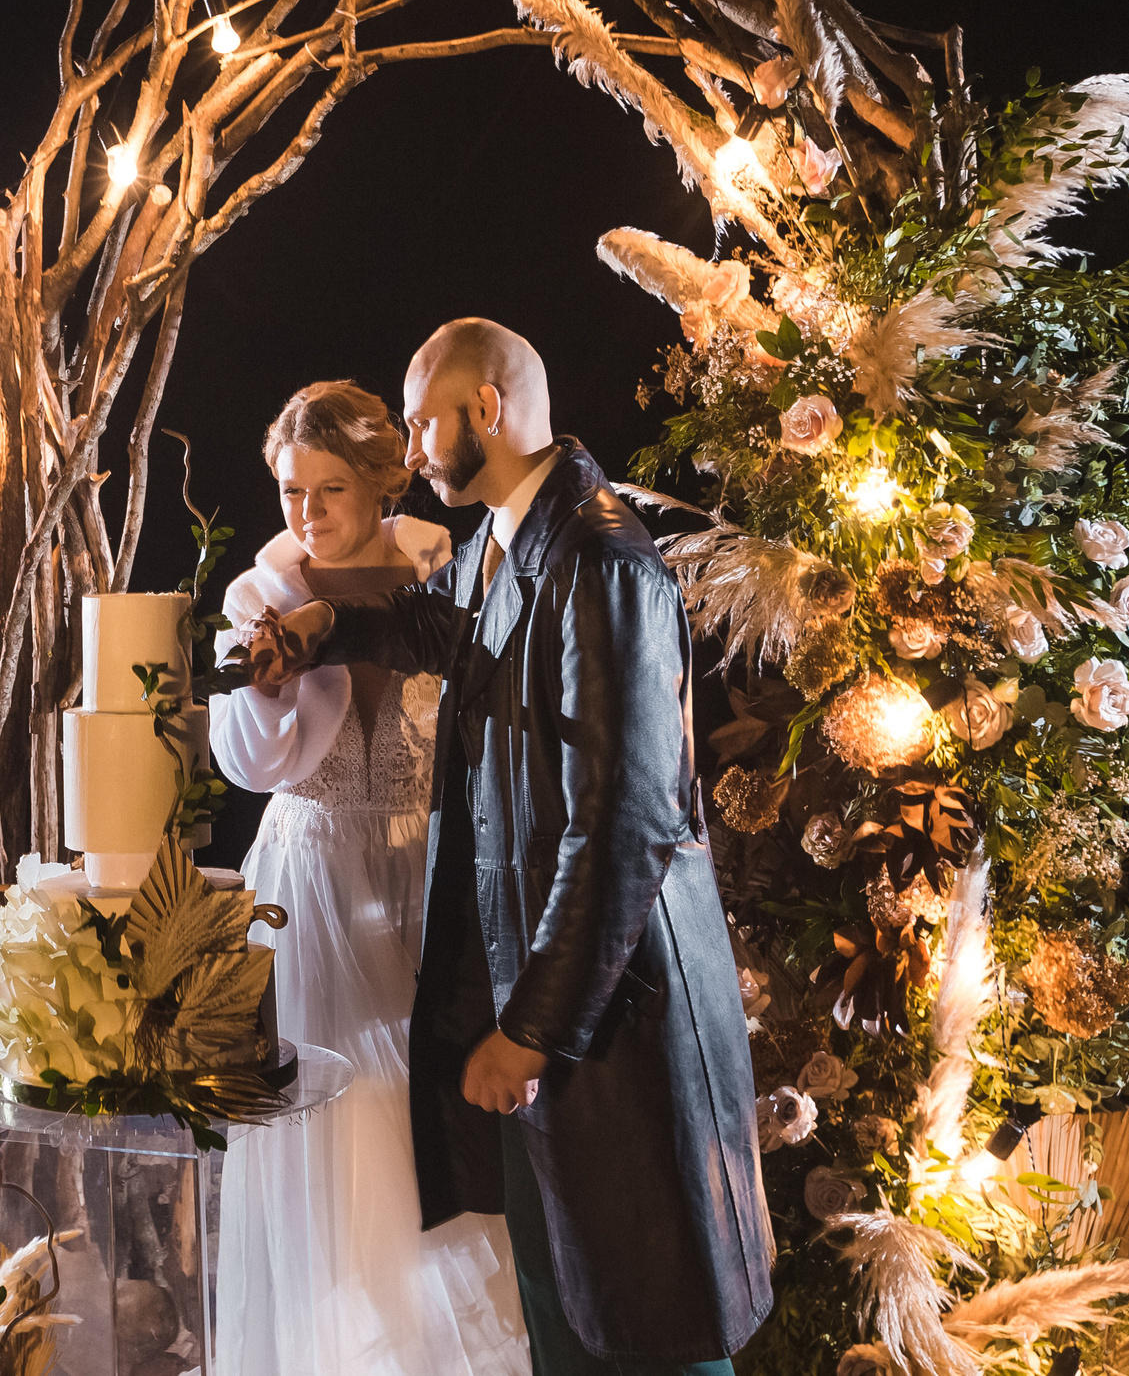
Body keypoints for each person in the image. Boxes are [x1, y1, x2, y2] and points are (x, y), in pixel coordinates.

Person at [245, 323, 774, 1374]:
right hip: (559, 1007)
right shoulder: (510, 538)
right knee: (573, 1320)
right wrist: (323, 631)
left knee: (651, 1324)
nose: (413, 443)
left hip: (607, 1017)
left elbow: (623, 820)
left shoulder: (600, 555)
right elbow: (447, 634)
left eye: (424, 417)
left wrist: (528, 1031)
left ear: (484, 410)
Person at [209, 380, 530, 1376]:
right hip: (311, 881)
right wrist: (261, 694)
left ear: (383, 482)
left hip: (432, 868)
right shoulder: (260, 594)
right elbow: (251, 765)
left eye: (329, 490)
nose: (306, 514)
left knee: (437, 1113)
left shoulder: (447, 564)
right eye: (290, 492)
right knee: (345, 1125)